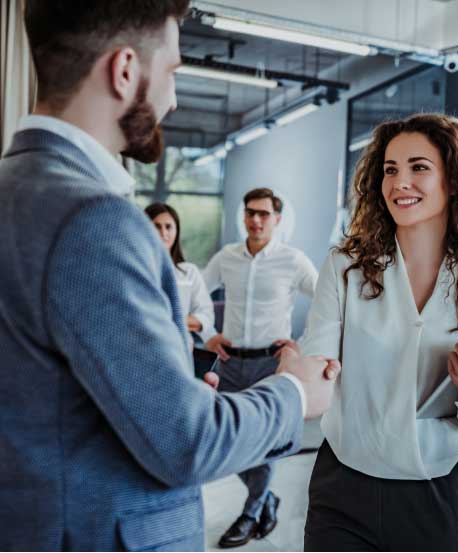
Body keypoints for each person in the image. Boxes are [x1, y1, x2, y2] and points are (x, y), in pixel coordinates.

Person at [0, 2, 340, 550]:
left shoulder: (15, 188)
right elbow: (189, 443)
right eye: (174, 71)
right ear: (126, 70)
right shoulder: (93, 220)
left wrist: (167, 375)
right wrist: (297, 393)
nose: (174, 98)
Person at [301, 113, 458, 551]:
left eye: (419, 167)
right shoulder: (344, 270)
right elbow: (316, 370)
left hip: (434, 495)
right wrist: (292, 386)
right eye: (390, 169)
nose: (400, 181)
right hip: (343, 487)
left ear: (455, 182)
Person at [203, 187, 319, 548]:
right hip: (230, 363)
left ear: (277, 220)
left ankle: (251, 513)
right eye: (250, 212)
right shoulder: (227, 257)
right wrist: (208, 333)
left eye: (264, 214)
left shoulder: (293, 260)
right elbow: (195, 295)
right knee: (225, 440)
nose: (256, 220)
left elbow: (327, 301)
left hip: (269, 364)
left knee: (264, 445)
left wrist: (304, 344)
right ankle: (267, 499)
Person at [145, 202, 214, 356]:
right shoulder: (137, 271)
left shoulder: (189, 272)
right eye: (156, 226)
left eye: (168, 227)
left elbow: (206, 316)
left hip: (180, 351)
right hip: (144, 349)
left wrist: (171, 320)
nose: (163, 233)